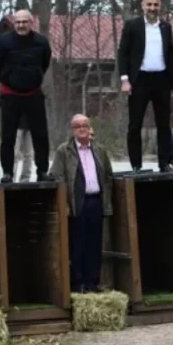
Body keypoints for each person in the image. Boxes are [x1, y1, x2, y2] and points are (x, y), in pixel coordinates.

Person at [50, 114, 115, 293]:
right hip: (76, 203)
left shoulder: (99, 149)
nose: (81, 129)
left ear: (89, 128)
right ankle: (78, 284)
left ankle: (93, 283)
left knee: (95, 244)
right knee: (77, 245)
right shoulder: (64, 151)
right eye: (77, 126)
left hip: (96, 201)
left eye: (84, 125)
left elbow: (108, 175)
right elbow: (57, 176)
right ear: (72, 130)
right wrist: (65, 203)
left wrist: (106, 199)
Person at [117, 0, 173, 173]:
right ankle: (136, 165)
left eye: (156, 5)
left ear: (160, 6)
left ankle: (164, 163)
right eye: (149, 4)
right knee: (135, 124)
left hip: (162, 79)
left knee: (164, 125)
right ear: (143, 6)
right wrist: (125, 79)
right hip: (140, 80)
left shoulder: (165, 27)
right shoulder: (133, 25)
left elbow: (171, 54)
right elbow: (123, 53)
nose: (152, 8)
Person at [0, 9, 53, 183]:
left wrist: (34, 77)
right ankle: (7, 172)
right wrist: (8, 78)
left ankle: (42, 171)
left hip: (34, 94)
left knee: (41, 136)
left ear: (31, 23)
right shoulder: (3, 42)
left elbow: (45, 63)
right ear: (14, 23)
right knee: (8, 137)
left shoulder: (41, 42)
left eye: (24, 22)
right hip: (10, 95)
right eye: (18, 22)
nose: (21, 25)